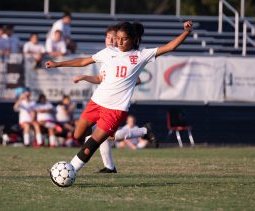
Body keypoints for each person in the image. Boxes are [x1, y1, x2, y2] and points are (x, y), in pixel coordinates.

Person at [45, 20, 193, 176]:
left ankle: (69, 171)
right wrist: (58, 64)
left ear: (133, 39)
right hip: (96, 103)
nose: (120, 42)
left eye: (124, 39)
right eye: (118, 38)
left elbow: (170, 47)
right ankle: (131, 132)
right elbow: (83, 61)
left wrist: (186, 32)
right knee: (78, 135)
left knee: (92, 143)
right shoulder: (108, 52)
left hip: (115, 110)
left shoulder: (140, 56)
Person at [74, 25, 147, 173]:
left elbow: (137, 79)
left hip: (115, 104)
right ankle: (110, 166)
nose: (111, 40)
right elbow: (100, 78)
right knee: (101, 136)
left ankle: (141, 132)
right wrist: (84, 77)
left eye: (113, 37)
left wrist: (125, 82)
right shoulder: (107, 56)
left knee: (103, 136)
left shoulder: (126, 57)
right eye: (108, 37)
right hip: (101, 101)